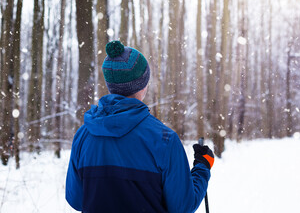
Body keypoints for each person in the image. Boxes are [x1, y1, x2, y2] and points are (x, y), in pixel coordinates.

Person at [65, 40, 214, 213]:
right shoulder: (164, 140)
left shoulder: (83, 135)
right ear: (143, 86)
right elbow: (182, 207)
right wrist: (202, 167)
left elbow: (75, 199)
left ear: (110, 85)